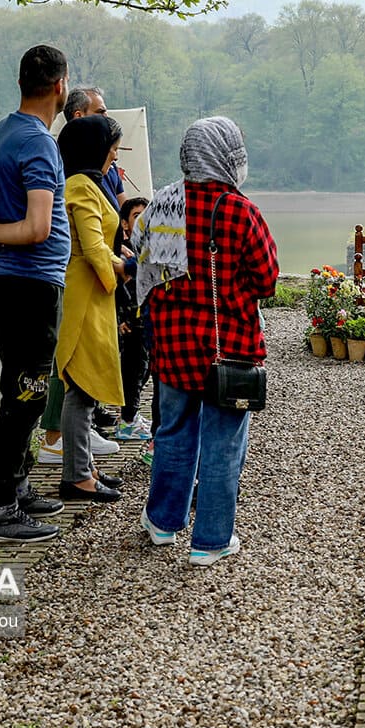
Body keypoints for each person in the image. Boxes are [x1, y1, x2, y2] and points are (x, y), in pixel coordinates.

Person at [135, 116, 278, 566]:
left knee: (173, 433)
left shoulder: (161, 205)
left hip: (173, 346)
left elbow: (142, 268)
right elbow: (268, 280)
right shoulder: (240, 211)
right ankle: (211, 540)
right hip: (227, 348)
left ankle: (161, 522)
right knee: (223, 444)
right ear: (227, 155)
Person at [0, 44, 70, 543]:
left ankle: (20, 485)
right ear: (60, 86)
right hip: (29, 282)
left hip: (3, 281)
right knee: (25, 394)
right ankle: (0, 510)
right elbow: (37, 228)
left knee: (23, 388)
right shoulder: (39, 143)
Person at [53, 115, 127, 502]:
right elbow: (93, 245)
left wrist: (120, 256)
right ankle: (76, 476)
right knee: (80, 385)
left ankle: (85, 467)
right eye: (111, 148)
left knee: (87, 383)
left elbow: (102, 242)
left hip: (94, 290)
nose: (114, 155)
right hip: (86, 290)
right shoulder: (80, 186)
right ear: (94, 148)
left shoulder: (88, 183)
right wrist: (125, 270)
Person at [114, 196, 152, 441]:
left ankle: (132, 415)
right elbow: (118, 287)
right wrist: (119, 318)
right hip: (131, 319)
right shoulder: (121, 250)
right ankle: (127, 421)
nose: (143, 220)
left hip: (144, 318)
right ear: (125, 224)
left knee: (143, 368)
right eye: (137, 216)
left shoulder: (146, 245)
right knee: (134, 369)